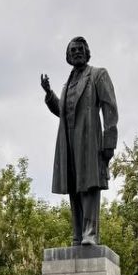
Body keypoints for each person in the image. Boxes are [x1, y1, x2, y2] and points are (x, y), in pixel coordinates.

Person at [41, 36, 118, 246]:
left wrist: (109, 142)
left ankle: (90, 234)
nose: (77, 52)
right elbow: (63, 111)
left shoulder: (98, 75)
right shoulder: (67, 84)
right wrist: (49, 93)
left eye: (80, 49)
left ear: (87, 52)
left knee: (90, 186)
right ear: (68, 56)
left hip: (89, 140)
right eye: (73, 50)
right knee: (74, 186)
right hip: (68, 143)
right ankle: (78, 234)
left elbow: (110, 108)